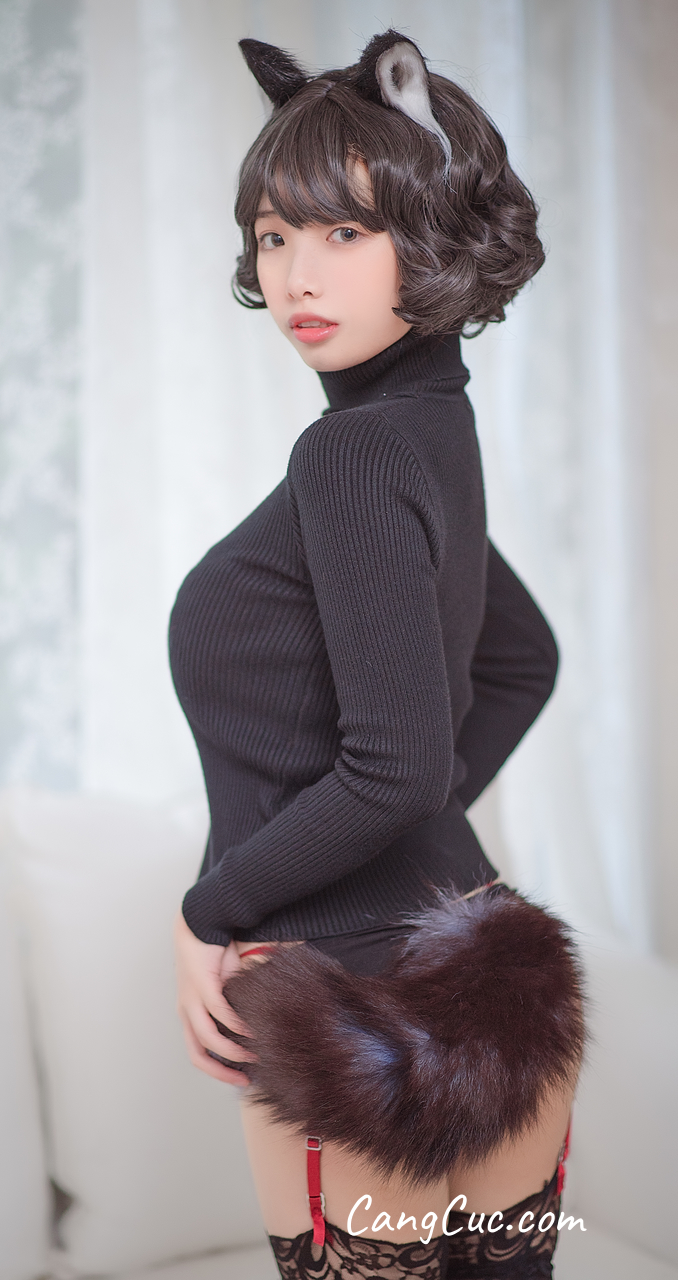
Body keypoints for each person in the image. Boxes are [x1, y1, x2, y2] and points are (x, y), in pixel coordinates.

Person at [170, 30, 585, 1280]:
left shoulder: (349, 453)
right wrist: (409, 817)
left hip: (350, 1008)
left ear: (432, 227)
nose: (296, 273)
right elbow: (520, 659)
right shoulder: (431, 428)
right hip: (492, 973)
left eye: (342, 231)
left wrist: (210, 906)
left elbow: (395, 765)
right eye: (272, 235)